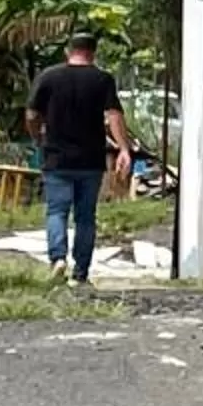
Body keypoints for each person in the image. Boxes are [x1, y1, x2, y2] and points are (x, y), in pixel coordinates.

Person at [26, 31, 131, 284]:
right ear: (93, 52)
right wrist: (124, 149)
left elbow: (31, 114)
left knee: (56, 211)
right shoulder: (102, 79)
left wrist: (38, 137)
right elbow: (114, 115)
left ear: (67, 51)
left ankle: (58, 258)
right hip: (90, 160)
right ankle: (81, 272)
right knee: (86, 217)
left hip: (56, 158)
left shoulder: (48, 77)